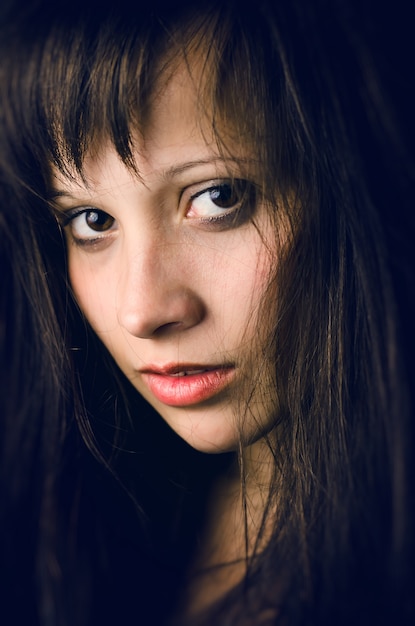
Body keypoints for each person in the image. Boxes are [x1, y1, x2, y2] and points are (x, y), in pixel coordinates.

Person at [0, 0, 414, 624]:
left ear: (350, 181)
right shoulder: (81, 527)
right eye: (92, 221)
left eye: (218, 197)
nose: (142, 311)